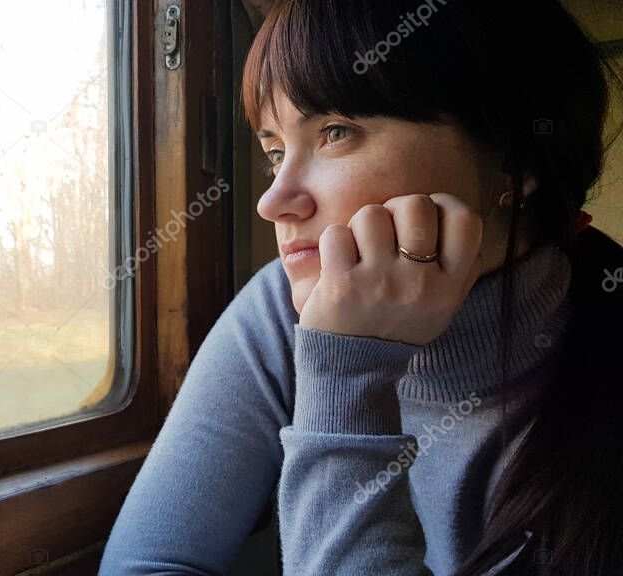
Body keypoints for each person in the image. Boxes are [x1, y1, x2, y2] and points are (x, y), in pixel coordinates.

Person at [99, 0, 623, 574]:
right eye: (274, 152)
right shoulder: (283, 307)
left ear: (515, 161)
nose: (272, 201)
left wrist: (344, 374)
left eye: (335, 131)